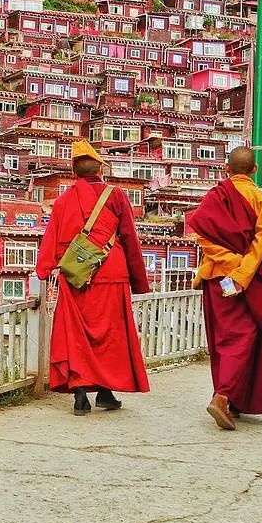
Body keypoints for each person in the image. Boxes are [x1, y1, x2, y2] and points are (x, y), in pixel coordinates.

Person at [36, 140, 150, 416]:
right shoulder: (116, 195)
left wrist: (43, 269)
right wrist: (139, 282)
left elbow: (50, 241)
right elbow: (130, 239)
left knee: (76, 336)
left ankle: (80, 396)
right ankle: (106, 392)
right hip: (112, 274)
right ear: (100, 169)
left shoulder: (63, 202)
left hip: (76, 277)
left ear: (74, 172)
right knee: (111, 337)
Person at [189, 146, 262, 431]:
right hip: (246, 279)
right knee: (243, 337)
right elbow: (261, 242)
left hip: (217, 279)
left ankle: (234, 400)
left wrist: (229, 264)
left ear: (226, 169)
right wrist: (241, 271)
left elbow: (203, 237)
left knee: (222, 339)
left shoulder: (214, 197)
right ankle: (223, 396)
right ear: (254, 171)